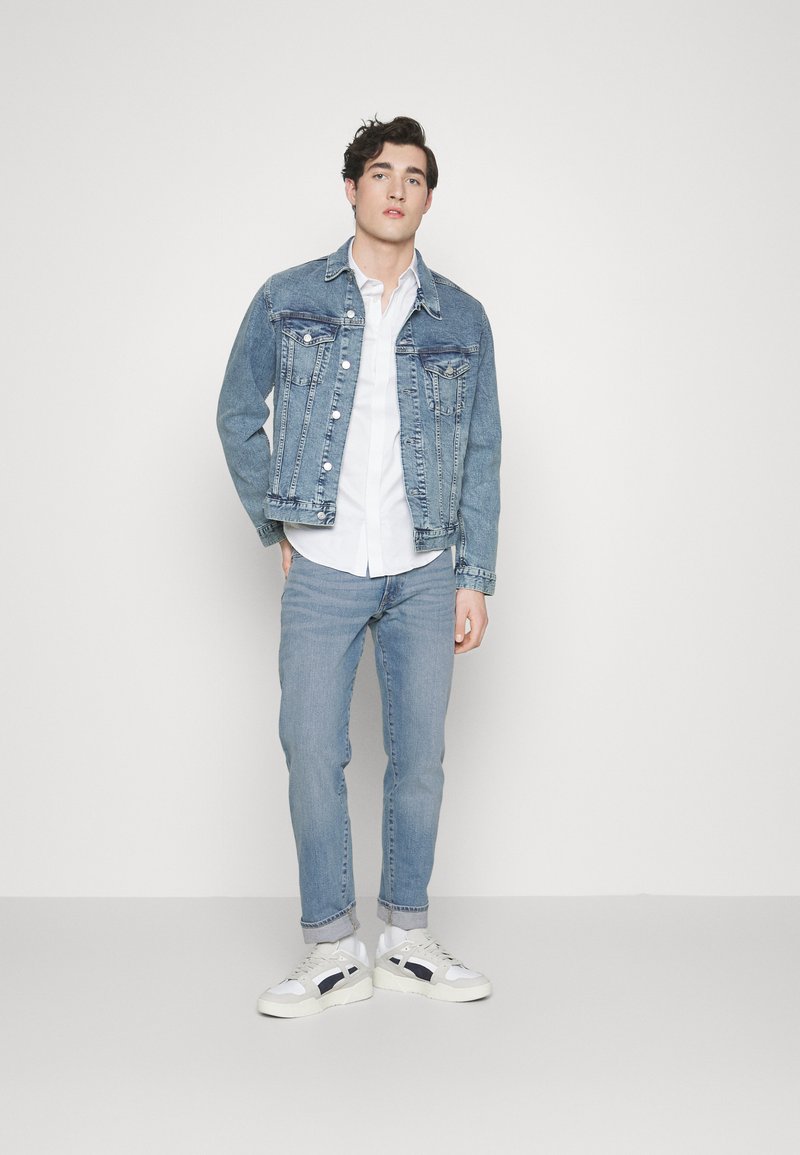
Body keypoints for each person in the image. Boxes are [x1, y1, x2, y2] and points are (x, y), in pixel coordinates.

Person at [217, 116, 501, 1018]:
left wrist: (473, 575)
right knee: (311, 748)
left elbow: (483, 449)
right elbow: (235, 413)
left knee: (419, 758)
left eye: (413, 177)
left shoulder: (462, 316)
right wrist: (280, 521)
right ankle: (332, 947)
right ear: (352, 187)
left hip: (425, 565)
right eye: (380, 173)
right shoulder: (288, 296)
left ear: (428, 197)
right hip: (326, 562)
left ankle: (407, 937)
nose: (395, 189)